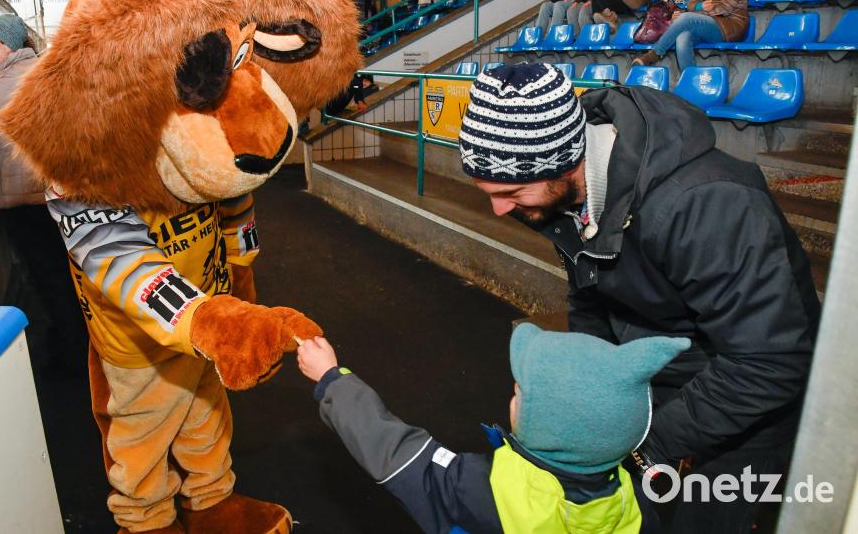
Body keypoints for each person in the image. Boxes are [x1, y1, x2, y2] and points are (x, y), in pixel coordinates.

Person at [459, 62, 822, 532]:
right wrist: (594, 394)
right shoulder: (563, 195)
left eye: (512, 190)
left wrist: (646, 442)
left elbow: (770, 361)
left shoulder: (706, 204)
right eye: (487, 191)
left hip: (747, 395)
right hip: (660, 369)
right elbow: (589, 299)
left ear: (565, 162)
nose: (498, 208)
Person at [297, 325, 691, 533]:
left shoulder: (482, 489)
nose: (513, 395)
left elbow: (394, 451)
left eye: (521, 395)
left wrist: (333, 379)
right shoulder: (635, 504)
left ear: (549, 429)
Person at [0, 14, 87, 374]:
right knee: (55, 271)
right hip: (38, 193)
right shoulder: (20, 71)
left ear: (7, 44)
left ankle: (71, 353)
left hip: (26, 197)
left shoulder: (13, 76)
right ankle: (73, 344)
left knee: (47, 274)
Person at [633, 0, 749, 69]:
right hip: (708, 22)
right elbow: (691, 3)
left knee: (685, 18)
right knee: (683, 36)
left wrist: (691, 15)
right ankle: (689, 80)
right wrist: (699, 6)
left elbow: (725, 9)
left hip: (729, 27)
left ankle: (654, 54)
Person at [567, 0, 650, 35]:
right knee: (589, 5)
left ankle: (609, 17)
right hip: (619, 0)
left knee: (592, 3)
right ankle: (608, 16)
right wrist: (577, 0)